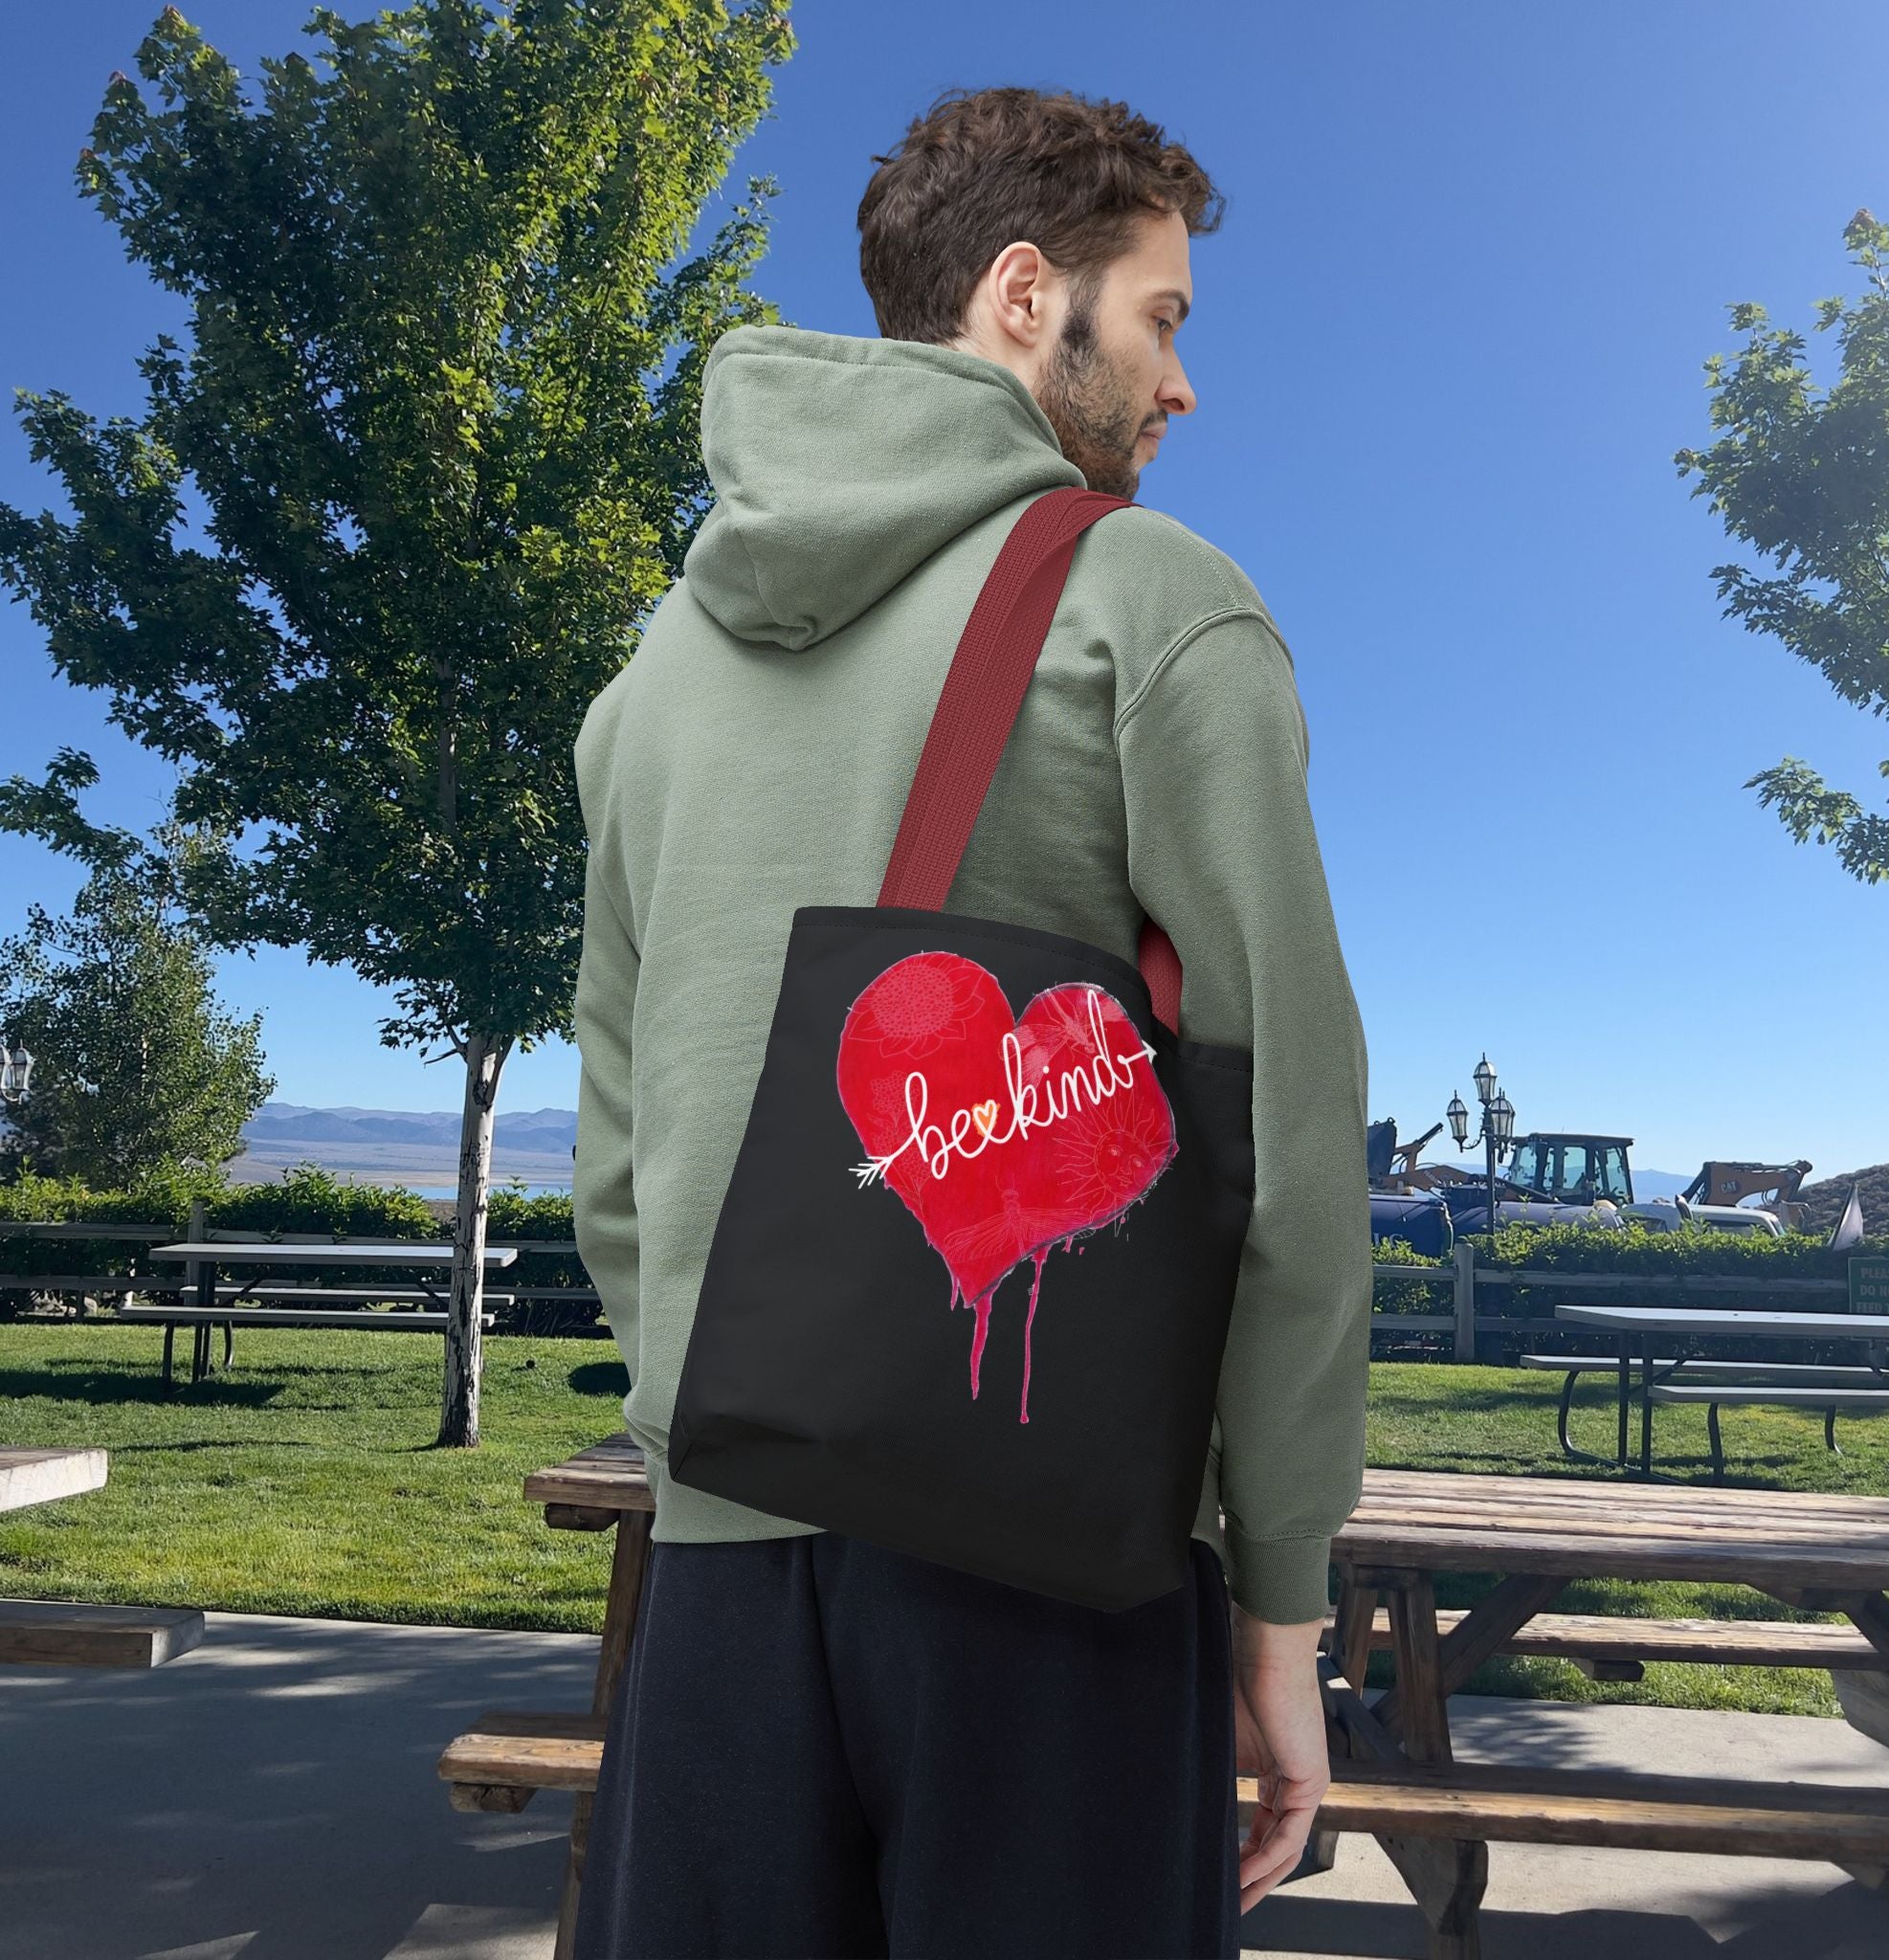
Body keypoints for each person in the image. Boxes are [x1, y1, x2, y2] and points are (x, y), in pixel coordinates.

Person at [569, 84, 1372, 1960]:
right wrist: (1280, 1603)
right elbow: (1291, 1149)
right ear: (1026, 296)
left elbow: (619, 1160)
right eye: (1162, 317)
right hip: (1053, 1565)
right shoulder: (1150, 609)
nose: (1182, 385)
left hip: (713, 1564)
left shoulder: (652, 681)